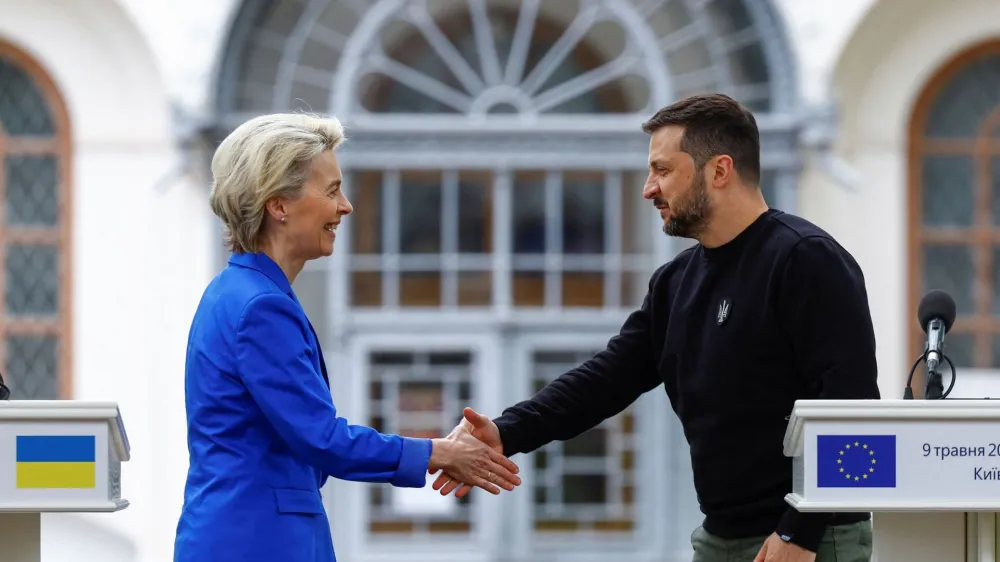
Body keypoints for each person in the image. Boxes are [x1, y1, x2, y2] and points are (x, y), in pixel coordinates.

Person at [428, 94, 880, 562]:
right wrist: (506, 431)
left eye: (663, 171)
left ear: (719, 171)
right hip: (720, 537)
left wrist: (800, 533)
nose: (648, 188)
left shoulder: (805, 260)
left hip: (809, 539)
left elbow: (850, 406)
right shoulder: (675, 282)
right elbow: (606, 379)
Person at [173, 113, 521, 562]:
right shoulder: (261, 307)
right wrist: (437, 453)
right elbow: (321, 439)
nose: (347, 206)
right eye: (332, 190)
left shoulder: (234, 293)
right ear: (278, 205)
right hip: (259, 541)